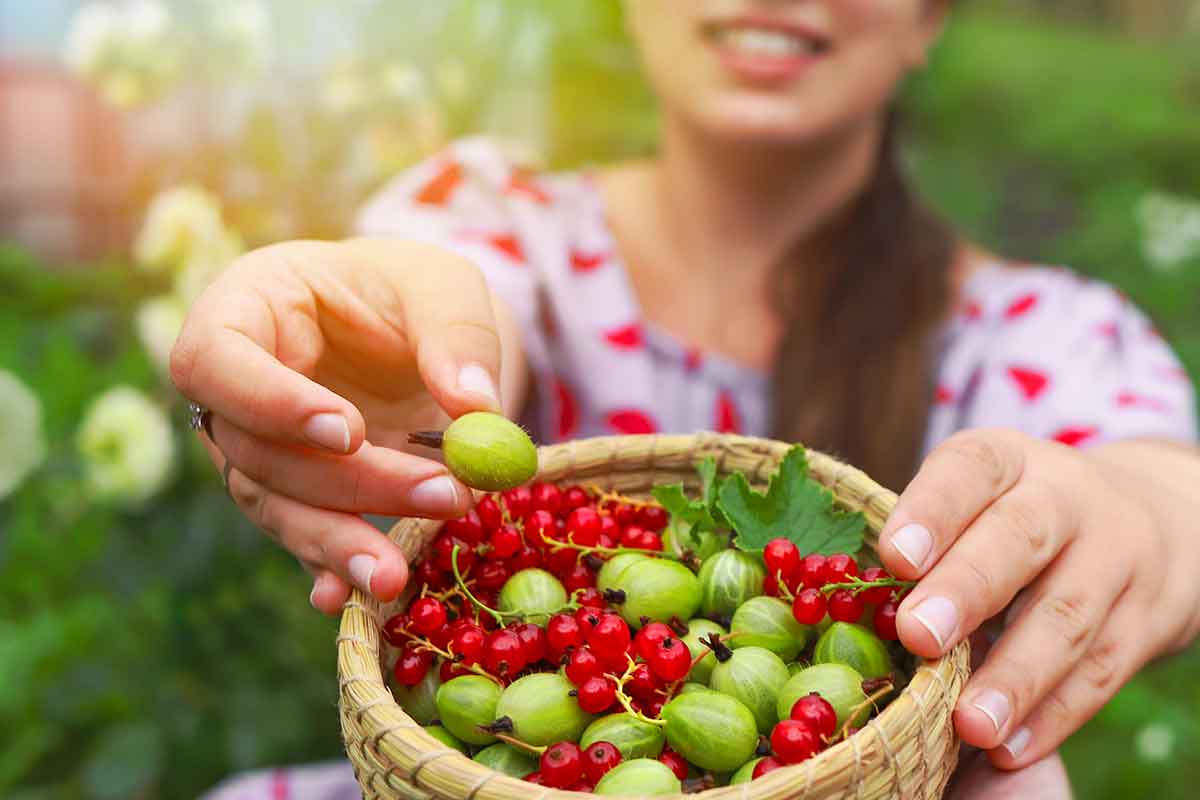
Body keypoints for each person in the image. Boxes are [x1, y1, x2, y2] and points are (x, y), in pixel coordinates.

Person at [179, 1, 1200, 798]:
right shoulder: (496, 226)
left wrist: (1142, 513)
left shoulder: (1041, 337)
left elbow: (1163, 485)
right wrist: (387, 368)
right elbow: (451, 288)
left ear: (929, 17)